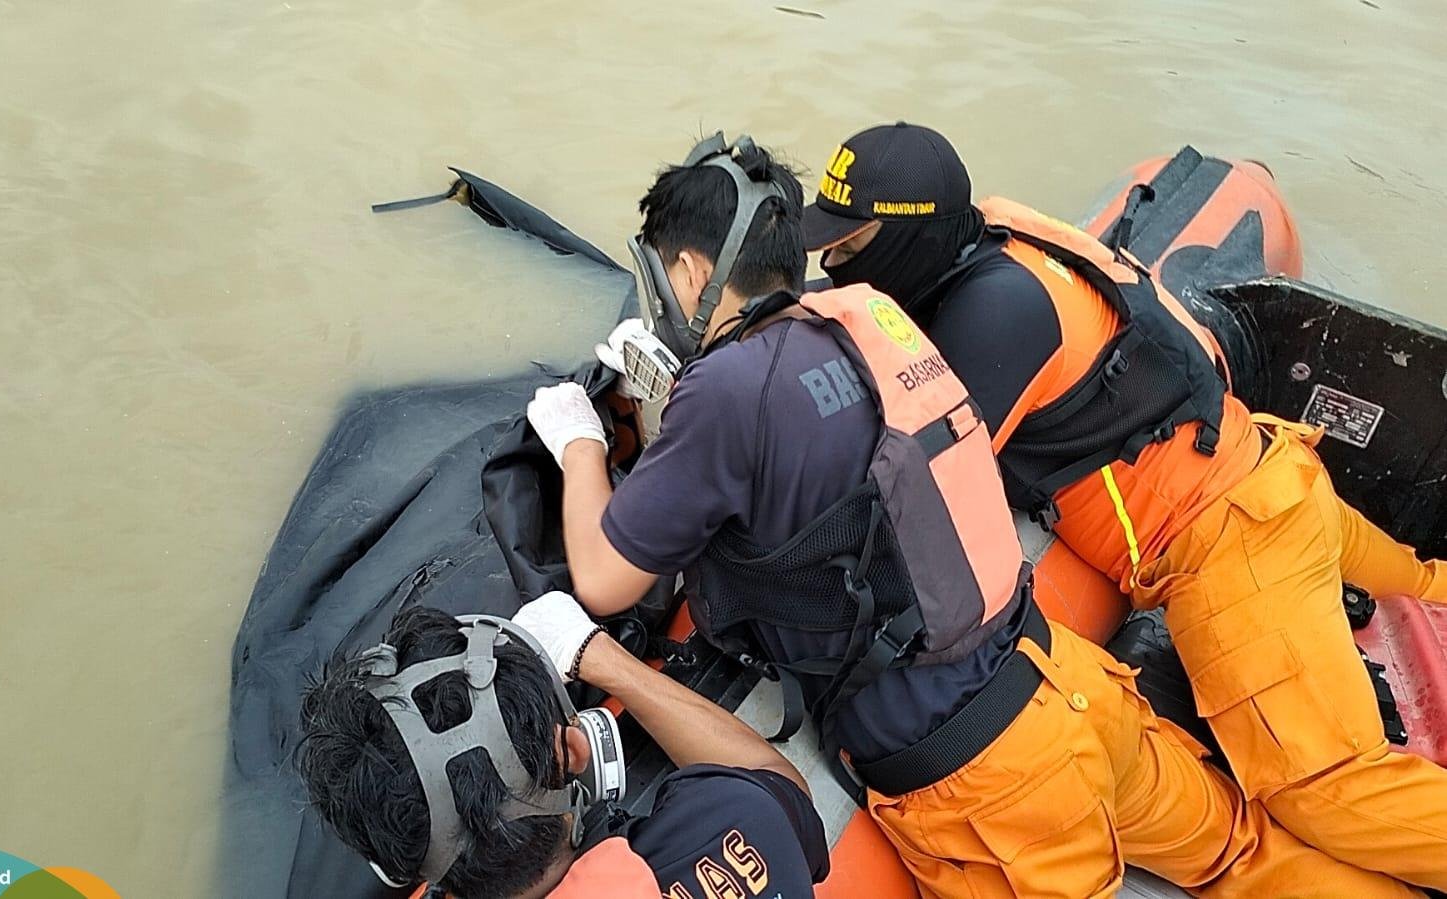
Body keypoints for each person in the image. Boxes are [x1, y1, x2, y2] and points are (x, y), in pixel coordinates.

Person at [526, 132, 1420, 897]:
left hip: (985, 776)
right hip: (1057, 678)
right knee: (1237, 847)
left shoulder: (733, 392)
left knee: (1325, 789)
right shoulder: (876, 320)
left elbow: (608, 578)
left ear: (687, 269)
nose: (837, 259)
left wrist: (580, 443)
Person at [802, 121, 1447, 890]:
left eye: (847, 245)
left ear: (909, 236)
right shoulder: (994, 242)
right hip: (1268, 477)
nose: (831, 261)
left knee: (1322, 790)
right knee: (1424, 579)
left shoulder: (995, 315)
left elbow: (905, 501)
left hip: (1224, 542)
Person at [297, 599, 830, 899]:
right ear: (577, 748)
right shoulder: (734, 820)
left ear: (395, 866)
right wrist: (603, 660)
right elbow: (779, 787)